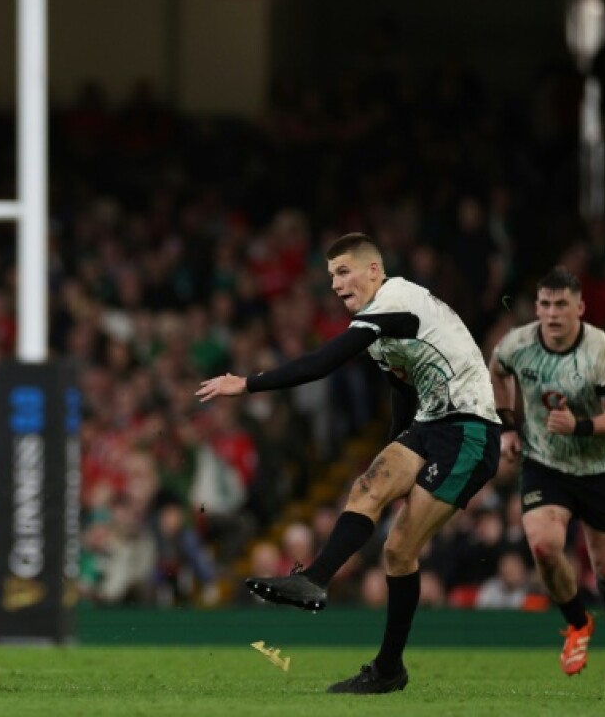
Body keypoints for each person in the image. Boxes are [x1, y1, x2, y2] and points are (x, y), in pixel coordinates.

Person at [196, 232, 500, 695]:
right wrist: (394, 449)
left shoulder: (396, 299)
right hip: (431, 423)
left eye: (344, 272)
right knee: (366, 487)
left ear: (374, 271)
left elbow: (324, 361)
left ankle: (388, 668)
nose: (336, 284)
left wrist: (249, 383)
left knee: (398, 551)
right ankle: (315, 581)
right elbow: (404, 388)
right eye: (331, 276)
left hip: (470, 429)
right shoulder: (377, 324)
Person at [489, 266, 605, 681]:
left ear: (580, 307)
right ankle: (577, 624)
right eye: (545, 304)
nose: (552, 313)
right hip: (544, 463)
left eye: (561, 305)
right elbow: (496, 369)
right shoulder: (517, 344)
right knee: (543, 545)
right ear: (536, 307)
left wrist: (581, 426)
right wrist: (506, 426)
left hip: (598, 466)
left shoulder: (600, 350)